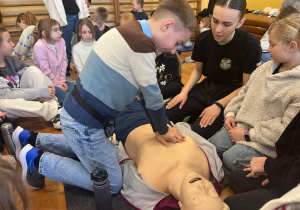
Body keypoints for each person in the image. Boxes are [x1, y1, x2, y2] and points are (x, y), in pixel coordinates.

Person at [10, 0, 196, 194]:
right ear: (167, 25)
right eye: (177, 43)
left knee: (85, 148)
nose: (174, 50)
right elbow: (154, 98)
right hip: (85, 124)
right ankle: (37, 160)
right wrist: (162, 129)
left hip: (76, 115)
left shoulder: (130, 29)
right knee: (111, 183)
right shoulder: (142, 45)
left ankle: (29, 138)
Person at [209, 14, 300, 172]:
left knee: (231, 159)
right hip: (241, 126)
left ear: (292, 47)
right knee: (212, 146)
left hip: (263, 141)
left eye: (272, 44)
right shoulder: (266, 68)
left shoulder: (296, 86)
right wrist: (230, 113)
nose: (268, 49)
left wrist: (247, 134)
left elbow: (285, 130)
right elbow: (245, 92)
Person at [165, 0, 261, 140]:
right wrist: (184, 92)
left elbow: (246, 87)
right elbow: (198, 70)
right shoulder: (204, 38)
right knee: (165, 115)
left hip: (232, 93)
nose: (217, 29)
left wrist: (218, 105)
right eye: (215, 21)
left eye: (227, 24)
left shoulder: (250, 45)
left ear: (240, 23)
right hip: (207, 87)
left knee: (198, 133)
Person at [114, 100, 226, 210]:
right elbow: (200, 141)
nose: (201, 187)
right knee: (138, 95)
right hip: (163, 123)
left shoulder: (146, 191)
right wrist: (175, 127)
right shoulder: (213, 168)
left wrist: (115, 144)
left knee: (117, 96)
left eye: (195, 198)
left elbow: (124, 164)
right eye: (212, 193)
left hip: (130, 124)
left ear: (181, 205)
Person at [224, 101, 300, 209]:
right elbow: (289, 144)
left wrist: (269, 166)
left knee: (230, 203)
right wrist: (275, 169)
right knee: (236, 177)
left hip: (295, 185)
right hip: (288, 168)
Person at [0, 27, 60, 129]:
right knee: (2, 103)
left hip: (24, 96)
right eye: (9, 41)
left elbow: (37, 76)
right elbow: (9, 94)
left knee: (33, 70)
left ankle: (54, 110)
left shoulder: (11, 61)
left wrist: (44, 92)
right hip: (10, 107)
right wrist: (39, 92)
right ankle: (54, 110)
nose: (13, 44)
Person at [43, 0, 90, 82]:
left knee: (87, 40)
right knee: (65, 47)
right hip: (64, 15)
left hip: (77, 13)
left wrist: (85, 12)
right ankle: (65, 74)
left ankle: (87, 70)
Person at [33, 18, 74, 106]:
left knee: (77, 93)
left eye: (59, 29)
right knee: (68, 99)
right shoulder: (39, 46)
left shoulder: (61, 41)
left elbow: (64, 61)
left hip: (60, 80)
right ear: (44, 33)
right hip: (47, 83)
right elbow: (45, 71)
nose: (60, 32)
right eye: (55, 30)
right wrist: (58, 85)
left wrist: (62, 81)